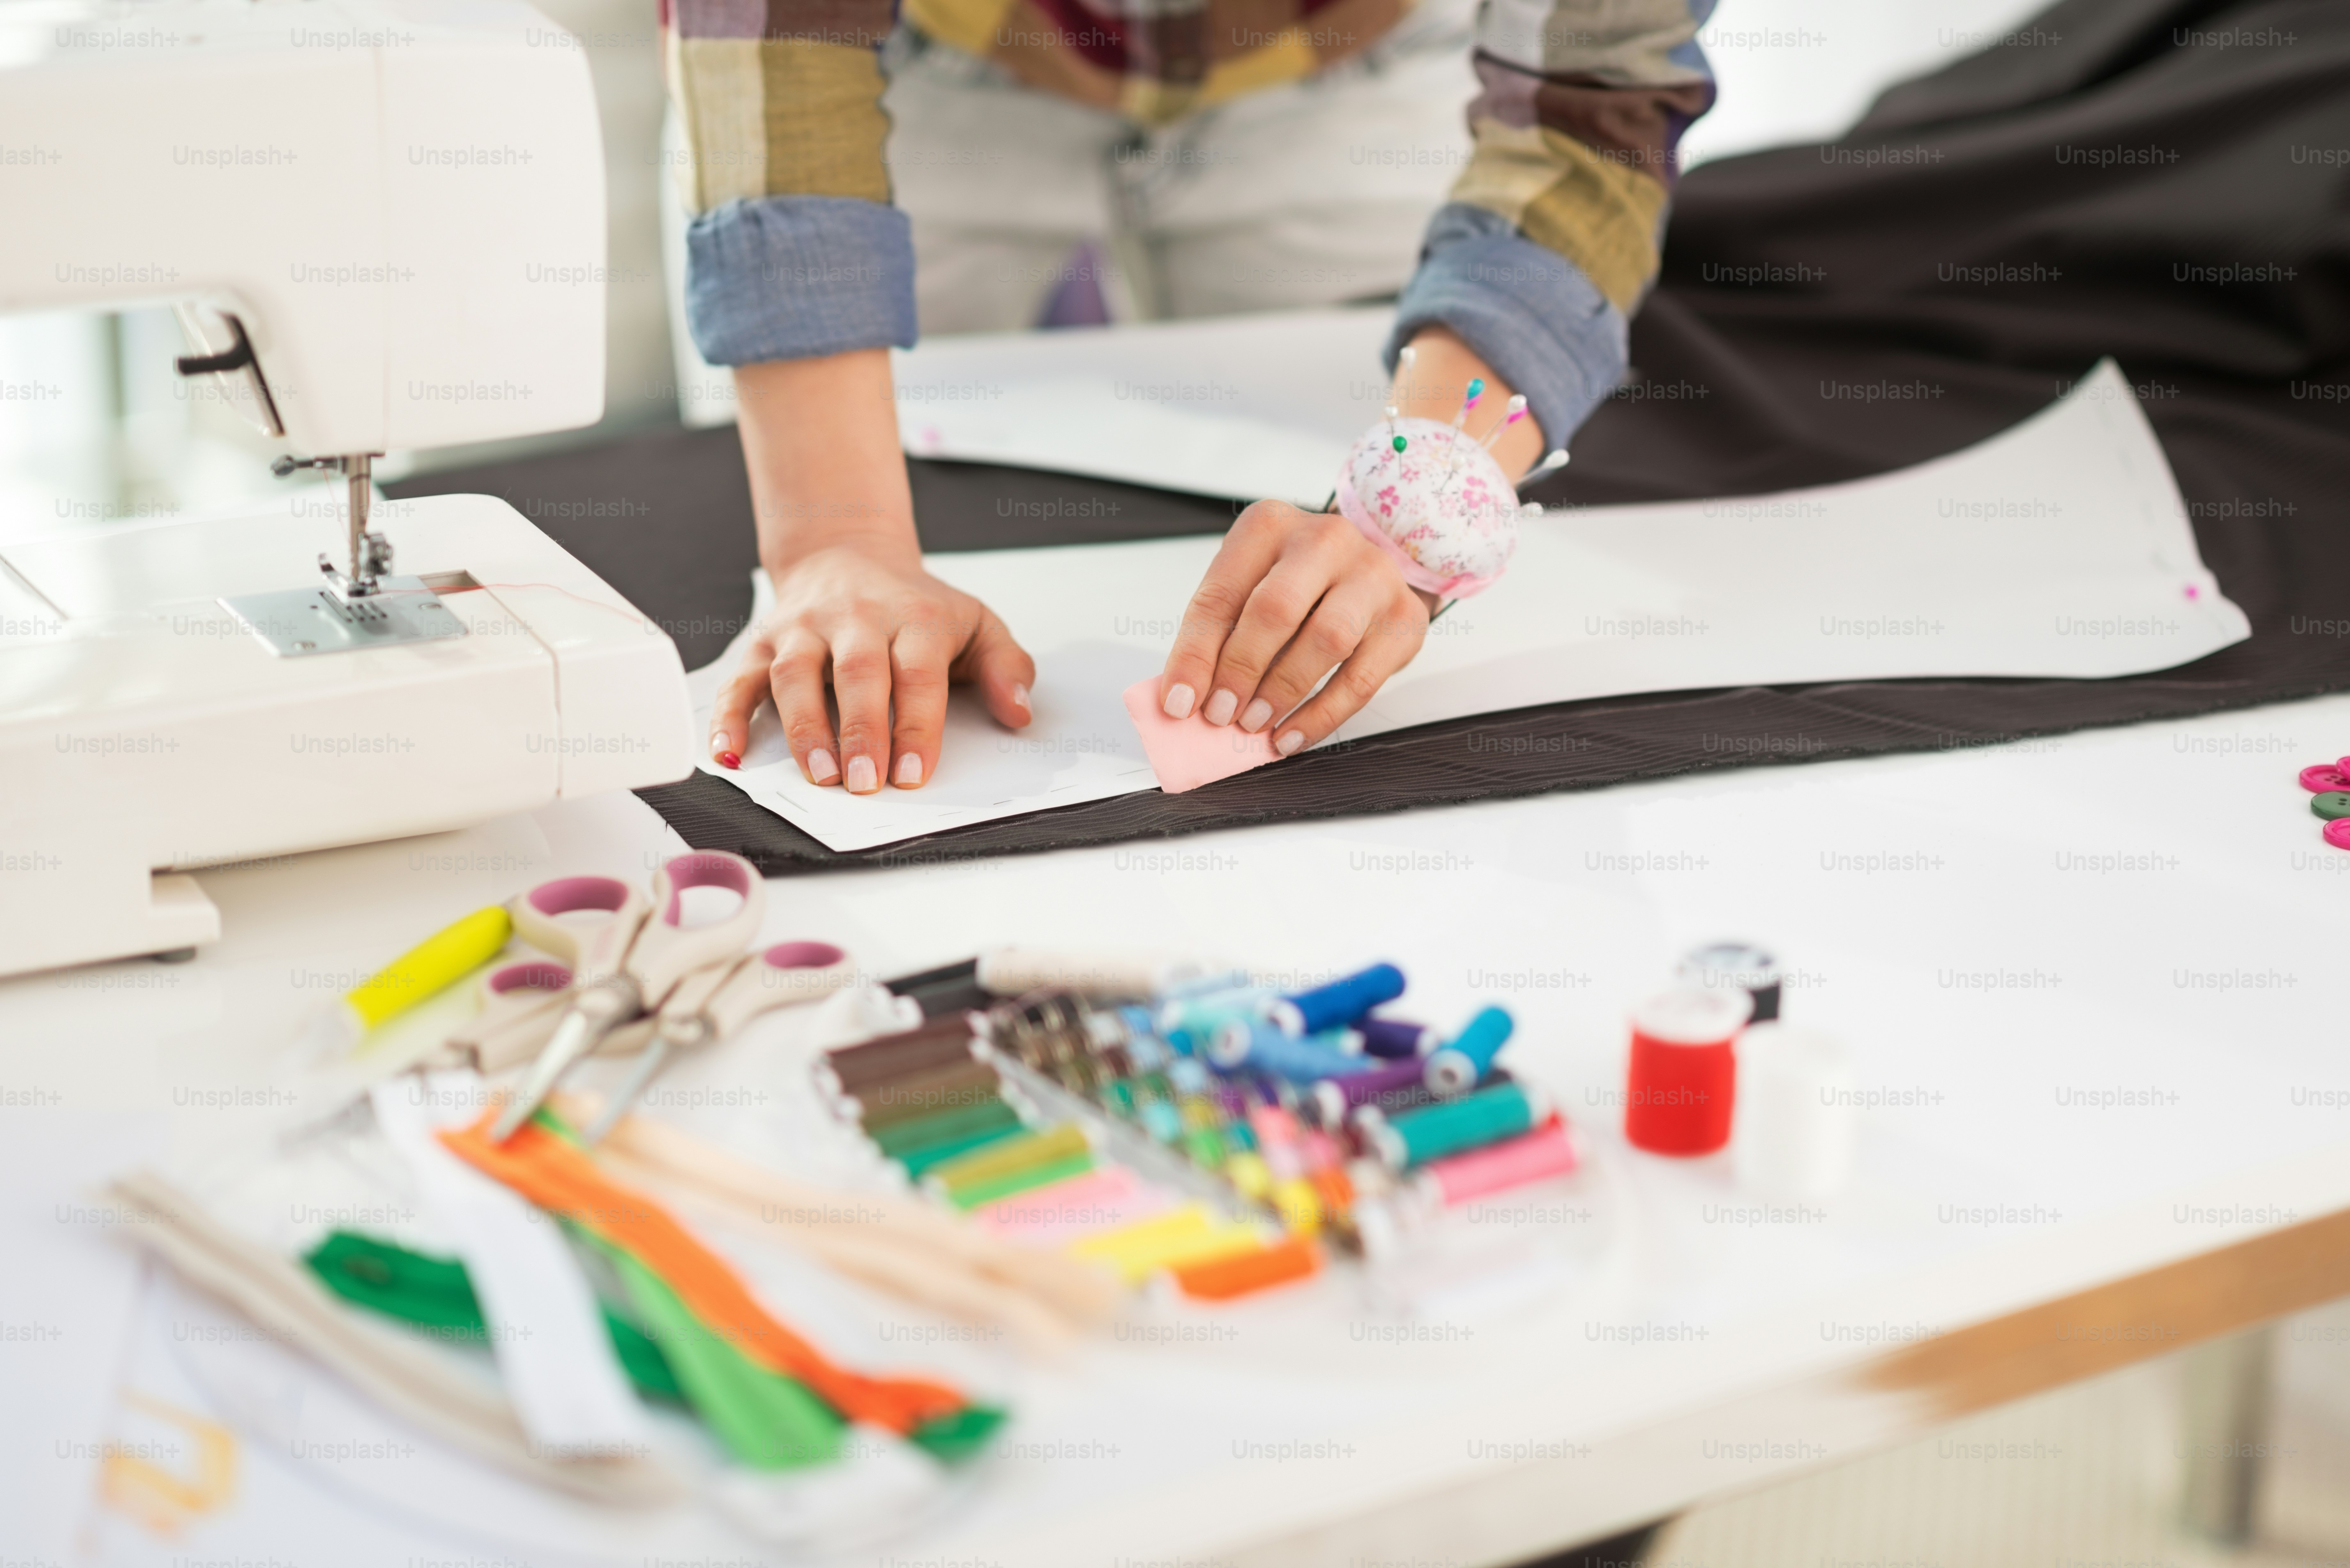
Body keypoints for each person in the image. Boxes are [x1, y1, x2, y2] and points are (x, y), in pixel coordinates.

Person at [666, 0, 1716, 791]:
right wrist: (836, 540)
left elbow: (1594, 92)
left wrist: (1418, 508)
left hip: (1360, 74)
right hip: (923, 71)